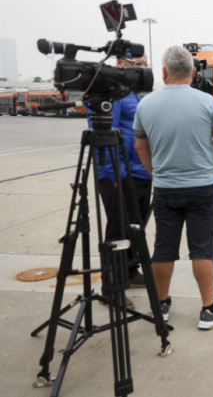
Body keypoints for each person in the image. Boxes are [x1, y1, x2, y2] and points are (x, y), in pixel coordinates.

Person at [133, 46, 213, 330]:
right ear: (193, 72)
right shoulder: (207, 102)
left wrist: (157, 173)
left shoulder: (145, 105)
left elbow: (140, 144)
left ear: (163, 72)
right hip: (203, 187)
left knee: (163, 247)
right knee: (201, 248)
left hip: (166, 188)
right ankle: (208, 309)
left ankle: (161, 305)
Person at [88, 54, 152, 309]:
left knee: (135, 226)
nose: (142, 68)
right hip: (118, 174)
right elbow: (103, 134)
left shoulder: (134, 93)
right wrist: (113, 175)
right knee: (118, 227)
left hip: (140, 172)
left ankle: (129, 270)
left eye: (144, 63)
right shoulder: (111, 94)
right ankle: (111, 286)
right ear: (121, 63)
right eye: (138, 63)